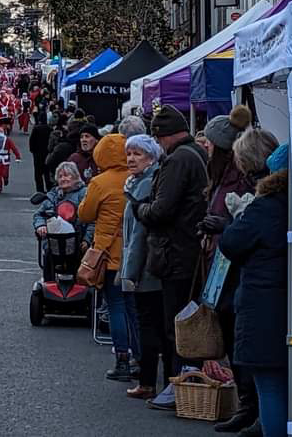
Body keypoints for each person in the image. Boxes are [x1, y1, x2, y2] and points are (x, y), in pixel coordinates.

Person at [131, 105, 208, 404]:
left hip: (176, 251)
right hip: (188, 249)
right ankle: (182, 382)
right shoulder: (196, 154)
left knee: (175, 324)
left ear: (163, 136)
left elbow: (162, 209)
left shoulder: (178, 160)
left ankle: (177, 386)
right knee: (186, 321)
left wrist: (141, 208)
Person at [219, 144, 288, 437]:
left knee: (270, 383)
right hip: (286, 298)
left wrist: (236, 218)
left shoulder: (268, 204)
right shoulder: (290, 204)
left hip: (264, 303)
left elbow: (232, 242)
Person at [79, 133, 139, 382]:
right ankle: (141, 357)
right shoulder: (138, 178)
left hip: (109, 253)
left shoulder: (99, 182)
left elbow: (85, 213)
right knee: (134, 309)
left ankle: (122, 358)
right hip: (135, 252)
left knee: (115, 306)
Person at [119, 135, 167, 400]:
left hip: (147, 268)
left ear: (151, 157)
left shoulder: (145, 185)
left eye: (138, 154)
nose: (131, 159)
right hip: (146, 265)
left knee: (148, 324)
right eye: (129, 154)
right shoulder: (137, 183)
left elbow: (138, 236)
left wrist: (129, 272)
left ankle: (148, 381)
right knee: (151, 324)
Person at [32, 162, 93, 281]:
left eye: (67, 175)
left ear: (76, 177)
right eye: (60, 176)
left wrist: (87, 239)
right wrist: (41, 226)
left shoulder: (85, 194)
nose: (63, 178)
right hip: (54, 243)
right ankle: (48, 282)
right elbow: (39, 215)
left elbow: (92, 220)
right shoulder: (53, 195)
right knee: (48, 256)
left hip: (78, 242)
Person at [0, 126, 21, 193]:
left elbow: (13, 148)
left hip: (6, 158)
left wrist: (18, 157)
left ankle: (6, 179)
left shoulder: (7, 140)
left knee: (5, 173)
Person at [30, 113, 53, 192]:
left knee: (38, 173)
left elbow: (32, 140)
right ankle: (49, 188)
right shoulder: (50, 129)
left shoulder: (36, 128)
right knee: (47, 172)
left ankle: (40, 189)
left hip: (37, 153)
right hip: (47, 152)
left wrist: (32, 150)